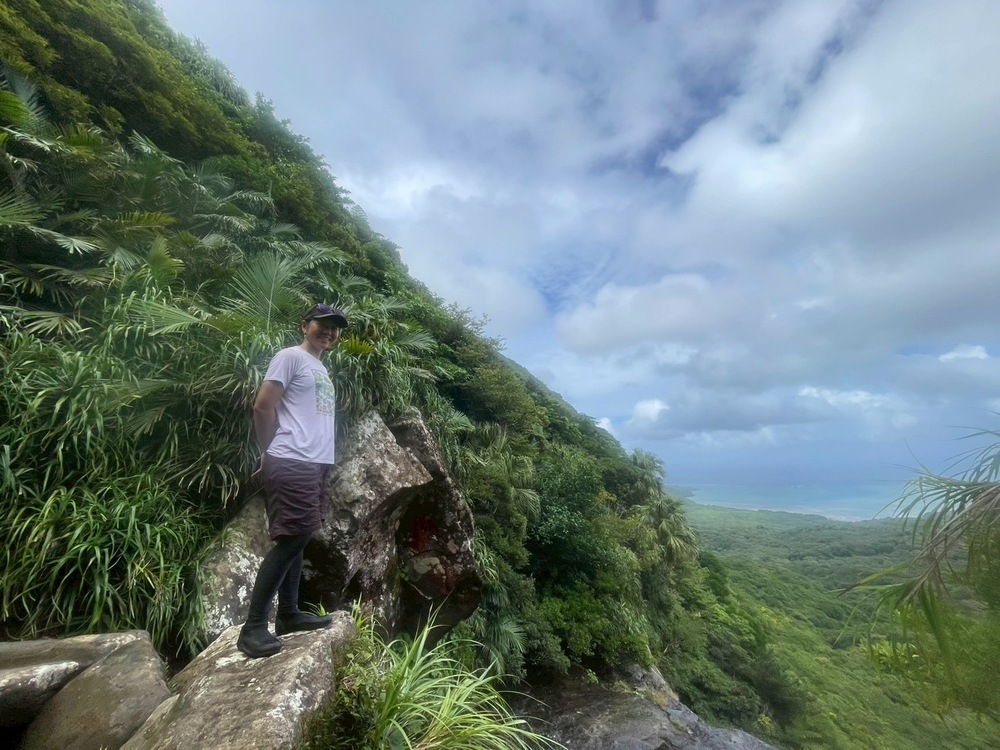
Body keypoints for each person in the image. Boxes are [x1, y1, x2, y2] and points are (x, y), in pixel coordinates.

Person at [237, 303, 348, 658]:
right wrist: (268, 451)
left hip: (315, 463)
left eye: (335, 327)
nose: (329, 331)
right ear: (305, 326)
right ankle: (253, 627)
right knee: (293, 539)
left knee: (300, 536)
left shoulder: (320, 368)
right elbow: (262, 406)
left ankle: (289, 613)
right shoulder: (290, 357)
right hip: (292, 458)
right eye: (322, 324)